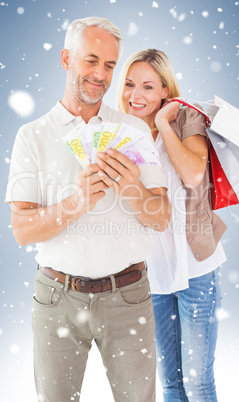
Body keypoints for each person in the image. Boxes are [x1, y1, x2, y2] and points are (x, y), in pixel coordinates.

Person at [5, 20, 171, 402]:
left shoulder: (132, 130)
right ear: (66, 59)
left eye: (110, 65)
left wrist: (132, 189)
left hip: (130, 297)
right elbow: (21, 230)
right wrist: (74, 204)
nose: (100, 75)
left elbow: (161, 217)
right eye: (91, 60)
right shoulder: (32, 136)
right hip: (56, 299)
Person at [117, 49, 227, 402]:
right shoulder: (121, 134)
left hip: (197, 271)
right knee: (169, 384)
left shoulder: (185, 120)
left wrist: (164, 125)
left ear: (165, 90)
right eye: (130, 85)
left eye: (148, 87)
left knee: (198, 384)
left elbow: (194, 174)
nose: (136, 96)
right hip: (152, 276)